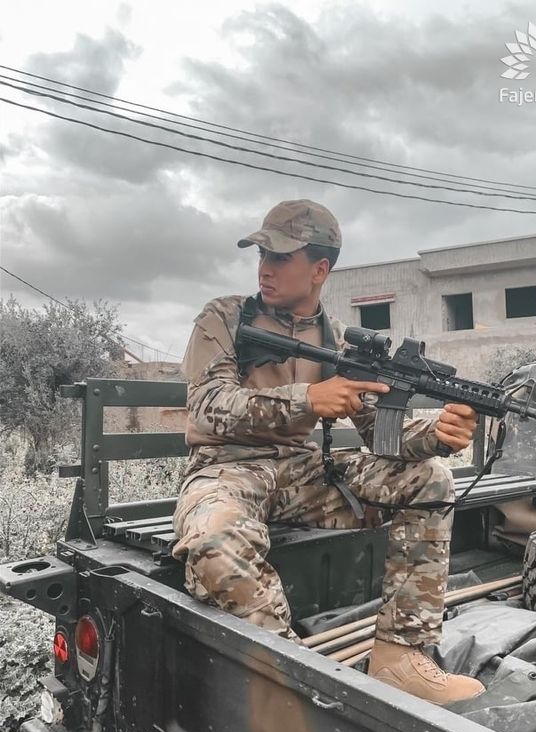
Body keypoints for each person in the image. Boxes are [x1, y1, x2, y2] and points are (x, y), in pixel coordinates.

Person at [173, 198, 485, 705]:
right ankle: (296, 681)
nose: (264, 268)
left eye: (280, 258)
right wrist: (308, 399)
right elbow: (207, 407)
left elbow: (377, 429)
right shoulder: (224, 317)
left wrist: (438, 432)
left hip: (304, 475)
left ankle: (401, 657)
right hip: (224, 470)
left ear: (319, 270)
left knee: (431, 479)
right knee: (216, 536)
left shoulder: (336, 338)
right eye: (262, 255)